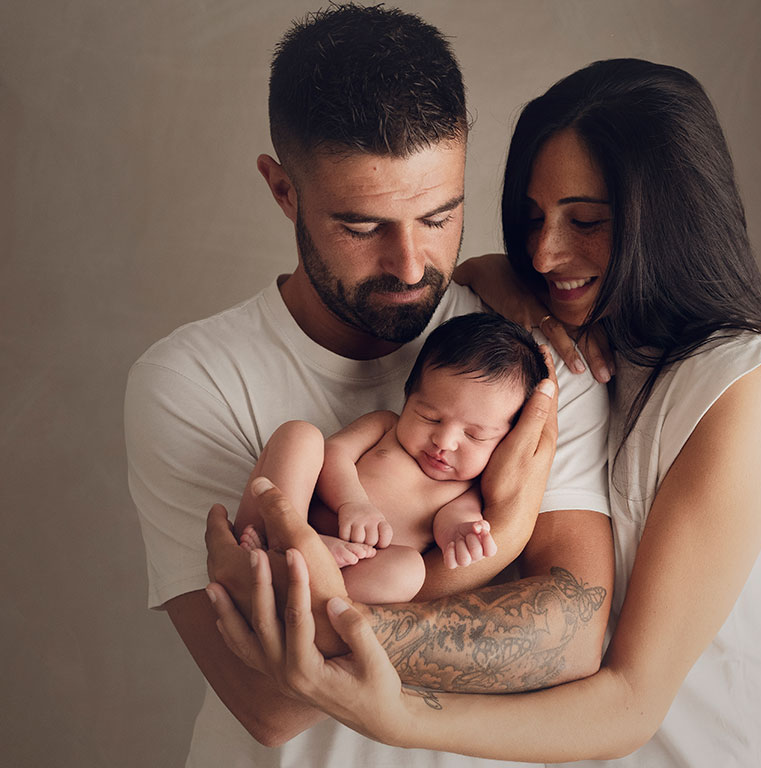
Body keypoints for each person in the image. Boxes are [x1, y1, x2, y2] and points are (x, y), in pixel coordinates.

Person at [209, 57, 761, 766]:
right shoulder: (589, 348)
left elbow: (629, 700)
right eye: (532, 218)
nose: (543, 254)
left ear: (671, 217)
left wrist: (394, 711)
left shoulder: (745, 394)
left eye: (586, 221)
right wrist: (486, 272)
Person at [125, 5, 612, 767]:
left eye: (440, 216)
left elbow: (574, 634)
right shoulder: (190, 380)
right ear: (284, 193)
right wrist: (501, 550)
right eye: (361, 228)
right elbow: (269, 705)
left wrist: (313, 630)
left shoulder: (525, 359)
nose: (413, 265)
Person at [233, 313, 548, 603]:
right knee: (300, 435)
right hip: (293, 518)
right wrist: (352, 502)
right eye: (429, 416)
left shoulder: (466, 489)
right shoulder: (386, 426)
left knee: (409, 571)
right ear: (408, 395)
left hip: (349, 568)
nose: (444, 441)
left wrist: (461, 534)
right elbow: (335, 453)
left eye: (474, 435)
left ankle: (303, 575)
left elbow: (453, 520)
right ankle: (287, 541)